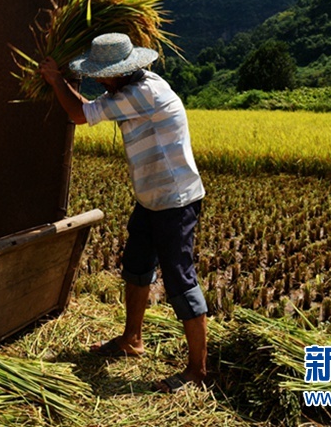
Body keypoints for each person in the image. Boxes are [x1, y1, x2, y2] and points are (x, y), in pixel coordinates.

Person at [39, 32, 207, 393]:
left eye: (102, 73)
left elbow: (79, 114)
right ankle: (132, 339)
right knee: (136, 265)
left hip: (175, 201)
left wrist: (56, 80)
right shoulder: (132, 88)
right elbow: (90, 105)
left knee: (180, 281)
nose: (99, 78)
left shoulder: (141, 94)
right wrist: (66, 82)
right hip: (151, 198)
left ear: (121, 72)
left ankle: (197, 371)